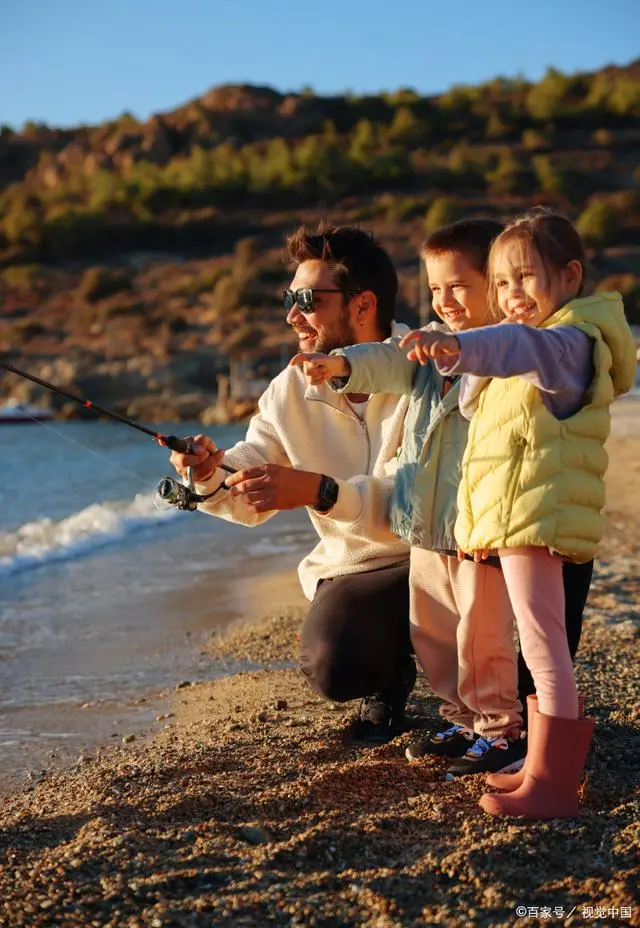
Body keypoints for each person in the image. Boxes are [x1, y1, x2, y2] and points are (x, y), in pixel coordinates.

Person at [398, 207, 636, 818]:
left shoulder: (568, 343)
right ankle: (538, 766)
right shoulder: (538, 351)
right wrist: (479, 531)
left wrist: (455, 345)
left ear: (571, 275)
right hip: (516, 524)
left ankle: (553, 784)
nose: (512, 295)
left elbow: (516, 345)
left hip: (540, 523)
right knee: (539, 643)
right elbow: (490, 455)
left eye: (526, 277)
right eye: (502, 283)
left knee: (543, 647)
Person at [293, 219, 527, 780]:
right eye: (437, 289)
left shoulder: (504, 353)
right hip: (423, 528)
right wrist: (344, 365)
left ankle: (500, 729)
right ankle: (461, 718)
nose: (445, 301)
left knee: (482, 634)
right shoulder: (424, 346)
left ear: (495, 288)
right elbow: (390, 360)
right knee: (432, 632)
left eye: (459, 288)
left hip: (476, 530)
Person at [169, 224, 414, 745]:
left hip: (438, 557)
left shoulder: (425, 369)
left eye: (306, 300)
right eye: (289, 298)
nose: (291, 315)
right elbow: (251, 473)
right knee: (332, 664)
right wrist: (209, 470)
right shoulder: (290, 388)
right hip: (356, 570)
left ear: (363, 303)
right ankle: (389, 676)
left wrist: (321, 491)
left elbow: (413, 499)